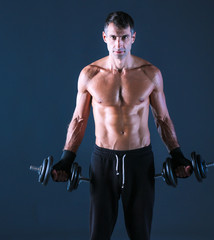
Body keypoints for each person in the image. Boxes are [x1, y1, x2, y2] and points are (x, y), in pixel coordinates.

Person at [51, 11, 192, 240]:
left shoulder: (150, 74)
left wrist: (177, 155)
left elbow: (162, 119)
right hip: (103, 161)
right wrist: (67, 159)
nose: (119, 44)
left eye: (125, 37)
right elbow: (79, 119)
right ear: (105, 37)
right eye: (114, 37)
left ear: (133, 37)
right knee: (98, 235)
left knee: (140, 235)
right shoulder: (89, 75)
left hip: (140, 161)